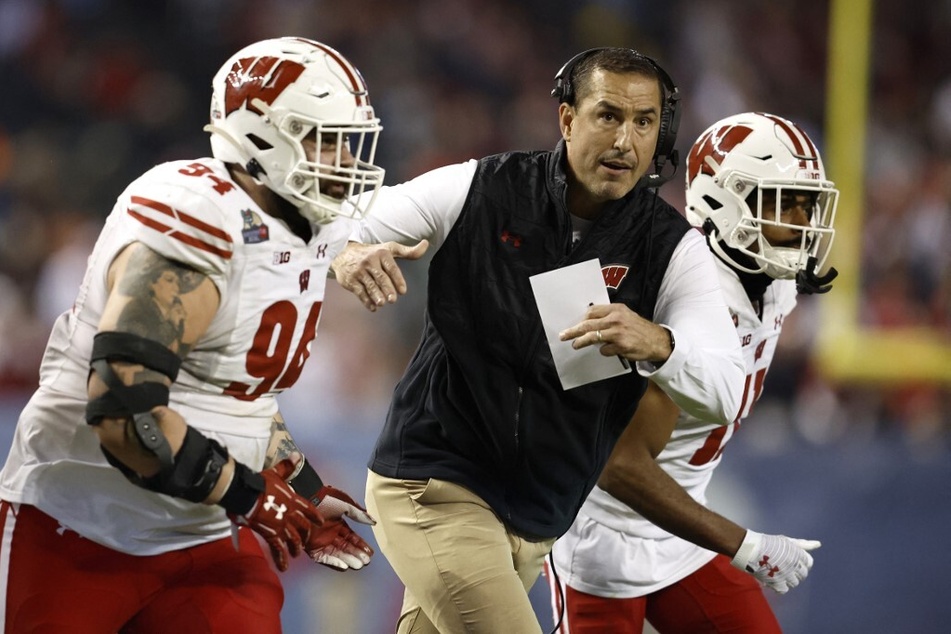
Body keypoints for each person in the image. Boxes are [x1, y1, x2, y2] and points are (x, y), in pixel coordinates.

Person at [331, 47, 746, 633]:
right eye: (608, 116)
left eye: (645, 122)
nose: (626, 140)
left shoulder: (674, 250)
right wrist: (347, 252)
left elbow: (727, 390)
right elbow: (343, 217)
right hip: (433, 481)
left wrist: (659, 343)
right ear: (568, 119)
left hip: (537, 518)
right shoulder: (482, 188)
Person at [0, 37, 385, 633]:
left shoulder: (303, 232)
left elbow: (238, 398)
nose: (342, 160)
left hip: (201, 540)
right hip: (77, 527)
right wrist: (253, 497)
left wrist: (301, 488)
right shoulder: (194, 214)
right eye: (322, 137)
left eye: (348, 141)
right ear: (260, 134)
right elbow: (125, 410)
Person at [546, 111, 840, 633]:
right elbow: (619, 466)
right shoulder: (689, 295)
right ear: (725, 204)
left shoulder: (773, 283)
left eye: (806, 202)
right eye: (781, 203)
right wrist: (742, 543)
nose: (799, 223)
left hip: (678, 533)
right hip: (603, 539)